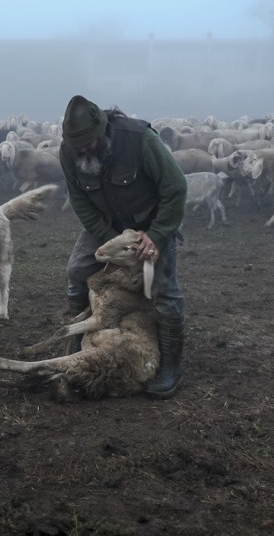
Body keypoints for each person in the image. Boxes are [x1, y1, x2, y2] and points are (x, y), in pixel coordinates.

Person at [59, 94, 188, 398]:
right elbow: (80, 201)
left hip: (152, 224)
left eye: (89, 143)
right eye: (78, 146)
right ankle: (77, 341)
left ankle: (171, 365)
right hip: (107, 224)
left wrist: (156, 235)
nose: (84, 150)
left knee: (165, 291)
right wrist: (108, 238)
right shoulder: (69, 153)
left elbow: (176, 188)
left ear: (102, 130)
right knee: (76, 270)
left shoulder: (139, 140)